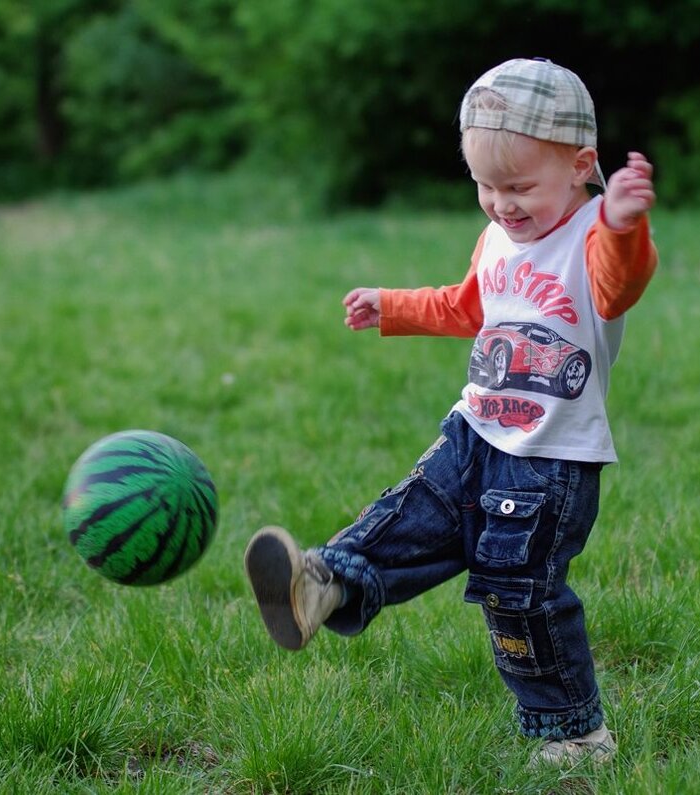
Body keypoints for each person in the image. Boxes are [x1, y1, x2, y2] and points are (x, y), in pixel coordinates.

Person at [244, 57, 657, 766]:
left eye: (520, 185)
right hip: (475, 430)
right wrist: (393, 306)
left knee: (517, 591)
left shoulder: (591, 233)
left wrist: (623, 225)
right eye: (486, 186)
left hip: (549, 461)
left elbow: (617, 289)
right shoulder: (497, 234)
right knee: (414, 509)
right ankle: (326, 583)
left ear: (582, 166)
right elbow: (470, 304)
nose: (502, 203)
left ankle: (574, 734)